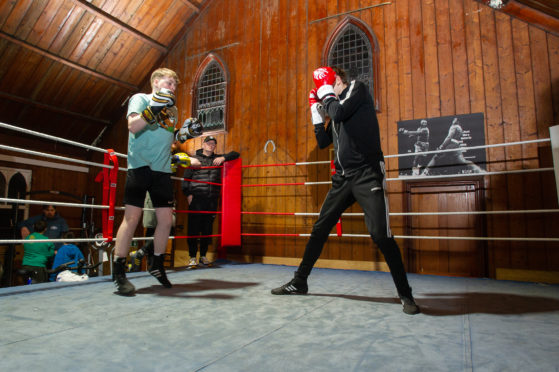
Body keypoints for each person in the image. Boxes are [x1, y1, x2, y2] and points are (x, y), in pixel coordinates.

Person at [271, 66, 420, 315]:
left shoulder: (357, 90)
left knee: (380, 235)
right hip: (342, 179)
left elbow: (338, 112)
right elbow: (323, 142)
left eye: (325, 87)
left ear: (336, 80)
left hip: (367, 173)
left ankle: (406, 294)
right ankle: (300, 281)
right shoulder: (337, 106)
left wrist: (326, 96)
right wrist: (315, 114)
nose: (322, 94)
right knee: (320, 228)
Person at [112, 67, 202, 295]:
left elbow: (168, 138)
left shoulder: (172, 110)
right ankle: (119, 271)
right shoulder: (140, 99)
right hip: (139, 165)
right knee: (132, 218)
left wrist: (184, 134)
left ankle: (157, 264)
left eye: (174, 84)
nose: (172, 87)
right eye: (168, 82)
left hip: (161, 170)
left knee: (166, 220)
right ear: (155, 82)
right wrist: (153, 108)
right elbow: (133, 126)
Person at [181, 135, 239, 267]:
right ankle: (192, 257)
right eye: (208, 143)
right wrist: (188, 195)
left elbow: (236, 154)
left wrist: (223, 158)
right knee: (193, 229)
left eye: (213, 143)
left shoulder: (217, 159)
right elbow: (186, 179)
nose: (211, 145)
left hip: (211, 199)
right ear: (203, 145)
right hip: (197, 198)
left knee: (207, 229)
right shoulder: (194, 159)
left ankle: (203, 256)